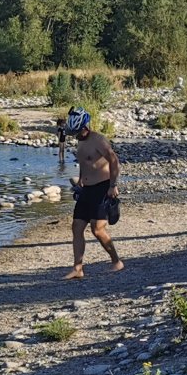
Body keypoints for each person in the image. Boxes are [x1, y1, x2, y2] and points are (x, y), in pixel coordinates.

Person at [62, 107, 123, 279]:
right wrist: (81, 180)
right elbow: (84, 162)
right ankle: (78, 268)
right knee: (77, 226)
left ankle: (116, 262)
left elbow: (114, 161)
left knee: (97, 229)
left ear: (84, 127)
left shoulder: (98, 140)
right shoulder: (80, 141)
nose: (75, 136)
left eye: (77, 132)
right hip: (86, 190)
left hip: (102, 188)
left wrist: (113, 185)